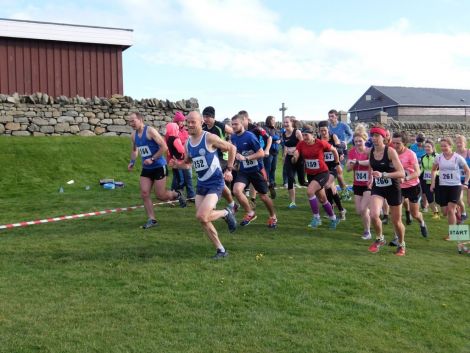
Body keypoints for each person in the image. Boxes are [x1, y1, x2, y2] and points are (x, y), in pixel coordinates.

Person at [183, 111, 237, 259]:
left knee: (202, 215)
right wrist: (178, 164)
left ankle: (226, 213)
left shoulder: (209, 138)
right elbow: (188, 162)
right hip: (201, 184)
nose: (190, 125)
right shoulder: (187, 143)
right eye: (188, 122)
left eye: (193, 122)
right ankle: (221, 250)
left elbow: (232, 148)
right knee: (203, 220)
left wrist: (229, 169)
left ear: (201, 122)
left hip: (215, 182)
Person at [127, 112, 187, 229]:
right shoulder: (133, 135)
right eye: (130, 121)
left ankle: (177, 194)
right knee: (144, 193)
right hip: (147, 168)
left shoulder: (150, 131)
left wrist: (152, 158)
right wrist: (132, 162)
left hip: (159, 166)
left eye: (133, 121)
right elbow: (135, 150)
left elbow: (164, 147)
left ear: (140, 120)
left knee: (161, 195)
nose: (131, 123)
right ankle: (152, 219)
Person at [230, 114, 278, 228]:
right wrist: (235, 163)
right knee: (236, 190)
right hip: (244, 170)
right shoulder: (233, 137)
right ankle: (250, 212)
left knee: (263, 196)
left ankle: (273, 216)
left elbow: (261, 153)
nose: (234, 126)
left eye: (236, 124)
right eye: (232, 125)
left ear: (242, 123)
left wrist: (246, 158)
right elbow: (236, 152)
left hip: (257, 170)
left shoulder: (250, 136)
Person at [367, 124, 406, 256]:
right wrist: (370, 178)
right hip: (378, 187)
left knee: (396, 221)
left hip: (393, 188)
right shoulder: (371, 151)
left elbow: (401, 173)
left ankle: (401, 244)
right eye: (372, 135)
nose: (374, 138)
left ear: (383, 137)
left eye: (377, 135)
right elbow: (371, 166)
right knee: (373, 214)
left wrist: (384, 175)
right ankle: (380, 239)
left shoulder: (390, 151)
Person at [292, 125, 340, 229]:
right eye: (303, 135)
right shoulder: (301, 144)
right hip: (310, 174)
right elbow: (297, 152)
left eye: (306, 135)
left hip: (322, 173)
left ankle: (316, 218)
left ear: (312, 135)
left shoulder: (321, 143)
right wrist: (295, 157)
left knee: (310, 191)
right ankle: (333, 218)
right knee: (323, 199)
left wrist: (337, 163)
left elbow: (334, 150)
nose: (305, 137)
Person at [431, 137, 470, 240]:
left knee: (450, 210)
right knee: (444, 212)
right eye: (442, 146)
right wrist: (433, 183)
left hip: (455, 186)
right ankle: (457, 210)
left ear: (450, 146)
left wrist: (465, 183)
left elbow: (467, 171)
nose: (443, 148)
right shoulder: (438, 157)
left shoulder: (457, 158)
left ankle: (451, 234)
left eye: (445, 146)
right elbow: (434, 170)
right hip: (443, 186)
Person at [392, 131, 428, 240]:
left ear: (405, 143)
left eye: (398, 143)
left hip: (413, 186)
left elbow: (418, 172)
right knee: (395, 215)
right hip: (398, 188)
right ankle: (397, 237)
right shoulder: (391, 153)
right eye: (394, 143)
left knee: (415, 213)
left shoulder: (410, 154)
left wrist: (406, 178)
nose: (395, 145)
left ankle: (422, 222)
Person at [202, 106, 238, 213]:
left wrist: (229, 143)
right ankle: (232, 204)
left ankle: (212, 204)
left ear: (213, 117)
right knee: (219, 182)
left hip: (222, 157)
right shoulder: (203, 127)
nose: (205, 119)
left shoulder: (220, 126)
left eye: (207, 116)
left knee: (215, 180)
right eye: (204, 116)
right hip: (210, 157)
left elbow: (235, 133)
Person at [318, 120, 347, 220]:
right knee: (330, 189)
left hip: (334, 165)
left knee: (327, 185)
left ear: (328, 129)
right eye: (321, 131)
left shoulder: (333, 136)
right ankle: (340, 210)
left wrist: (341, 154)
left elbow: (339, 148)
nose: (323, 133)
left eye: (325, 130)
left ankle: (333, 210)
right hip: (324, 167)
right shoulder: (318, 139)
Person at [347, 128, 372, 239]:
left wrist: (357, 162)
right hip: (357, 184)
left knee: (363, 209)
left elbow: (371, 162)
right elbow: (347, 169)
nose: (357, 143)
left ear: (365, 140)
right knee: (359, 211)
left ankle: (367, 232)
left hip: (368, 184)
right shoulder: (352, 151)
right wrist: (350, 164)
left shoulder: (369, 151)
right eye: (356, 141)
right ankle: (373, 210)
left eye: (360, 141)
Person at [327, 109, 352, 199]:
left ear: (336, 116)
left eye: (332, 116)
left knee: (338, 173)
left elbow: (351, 135)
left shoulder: (343, 125)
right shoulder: (328, 127)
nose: (330, 118)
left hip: (343, 151)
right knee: (334, 174)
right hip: (332, 152)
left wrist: (346, 142)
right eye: (329, 116)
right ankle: (335, 193)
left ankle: (345, 193)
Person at [282, 116, 304, 208]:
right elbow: (286, 146)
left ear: (291, 123)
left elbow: (303, 144)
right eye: (284, 122)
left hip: (299, 157)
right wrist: (284, 155)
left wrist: (296, 152)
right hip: (289, 158)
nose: (285, 124)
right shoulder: (284, 133)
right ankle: (293, 202)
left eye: (287, 122)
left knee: (302, 181)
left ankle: (318, 189)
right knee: (290, 178)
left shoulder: (297, 132)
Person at [173, 111, 195, 199]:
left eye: (183, 121)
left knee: (188, 177)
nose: (182, 123)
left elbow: (188, 142)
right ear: (176, 122)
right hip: (178, 158)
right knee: (179, 178)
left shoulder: (186, 132)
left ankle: (191, 195)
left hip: (186, 157)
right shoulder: (174, 131)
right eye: (180, 121)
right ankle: (177, 194)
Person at [165, 122, 192, 194]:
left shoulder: (169, 139)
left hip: (173, 160)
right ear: (174, 130)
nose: (178, 130)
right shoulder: (175, 139)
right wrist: (186, 147)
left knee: (176, 178)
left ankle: (173, 192)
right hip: (179, 161)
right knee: (181, 179)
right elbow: (181, 150)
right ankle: (178, 194)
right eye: (177, 129)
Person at [420, 140, 440, 219]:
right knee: (429, 198)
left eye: (429, 146)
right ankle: (436, 213)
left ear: (433, 147)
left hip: (437, 179)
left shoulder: (438, 156)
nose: (427, 148)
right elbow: (422, 169)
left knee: (439, 199)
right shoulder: (423, 157)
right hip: (426, 180)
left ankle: (454, 209)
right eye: (425, 147)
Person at [264, 115, 281, 194]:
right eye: (272, 120)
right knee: (267, 168)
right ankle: (266, 182)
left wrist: (280, 140)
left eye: (274, 120)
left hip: (275, 152)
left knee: (273, 168)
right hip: (269, 152)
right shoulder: (265, 128)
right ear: (268, 121)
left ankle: (272, 182)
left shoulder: (275, 129)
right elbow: (268, 137)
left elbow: (280, 137)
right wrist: (276, 138)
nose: (274, 121)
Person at [455, 134, 470, 222]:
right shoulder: (455, 154)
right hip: (458, 179)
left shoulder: (469, 152)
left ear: (465, 143)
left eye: (460, 142)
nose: (459, 144)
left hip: (469, 178)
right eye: (457, 143)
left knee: (469, 201)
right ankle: (463, 215)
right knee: (458, 199)